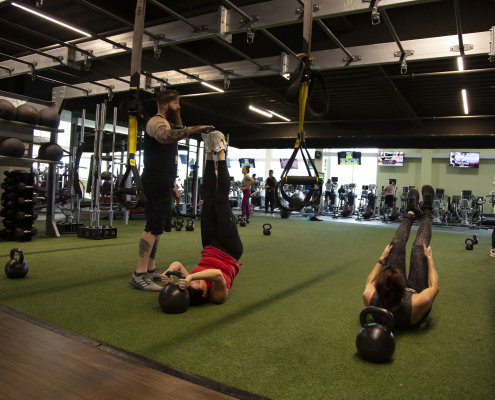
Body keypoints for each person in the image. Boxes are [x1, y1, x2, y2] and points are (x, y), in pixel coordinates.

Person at [129, 89, 214, 292]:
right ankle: (138, 275)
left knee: (158, 228)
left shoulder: (167, 123)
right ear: (166, 104)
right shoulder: (156, 122)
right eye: (176, 103)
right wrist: (193, 129)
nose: (179, 106)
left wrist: (173, 185)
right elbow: (165, 137)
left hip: (164, 182)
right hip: (154, 181)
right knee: (153, 226)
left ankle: (149, 270)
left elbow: (165, 157)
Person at [161, 133, 241, 305]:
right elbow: (217, 275)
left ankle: (209, 153)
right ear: (205, 294)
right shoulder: (217, 296)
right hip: (229, 251)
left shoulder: (192, 283)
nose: (195, 281)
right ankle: (220, 151)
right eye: (197, 283)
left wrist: (168, 273)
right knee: (221, 200)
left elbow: (176, 264)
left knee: (208, 201)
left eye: (194, 281)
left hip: (210, 245)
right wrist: (191, 277)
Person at [363, 185, 439, 329]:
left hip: (396, 294)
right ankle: (427, 211)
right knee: (419, 248)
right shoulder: (417, 302)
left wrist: (382, 258)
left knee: (396, 244)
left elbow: (369, 281)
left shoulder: (370, 298)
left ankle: (411, 212)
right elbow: (434, 287)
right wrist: (429, 258)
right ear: (402, 286)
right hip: (416, 292)